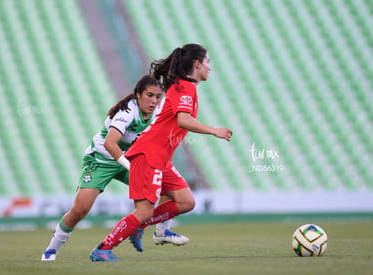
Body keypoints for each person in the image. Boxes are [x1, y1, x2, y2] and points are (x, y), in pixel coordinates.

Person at [89, 43, 233, 262]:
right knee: (144, 210)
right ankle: (103, 249)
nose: (209, 67)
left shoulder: (184, 86)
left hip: (160, 158)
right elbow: (184, 120)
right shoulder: (185, 87)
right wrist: (215, 131)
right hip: (148, 155)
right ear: (197, 64)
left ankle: (140, 225)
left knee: (186, 202)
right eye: (207, 62)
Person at [41, 75, 189, 261]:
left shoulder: (158, 111)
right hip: (102, 161)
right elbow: (111, 144)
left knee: (169, 190)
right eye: (149, 95)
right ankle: (51, 250)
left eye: (158, 96)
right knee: (80, 209)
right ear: (138, 94)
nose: (154, 101)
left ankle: (161, 231)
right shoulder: (127, 112)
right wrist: (131, 167)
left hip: (134, 158)